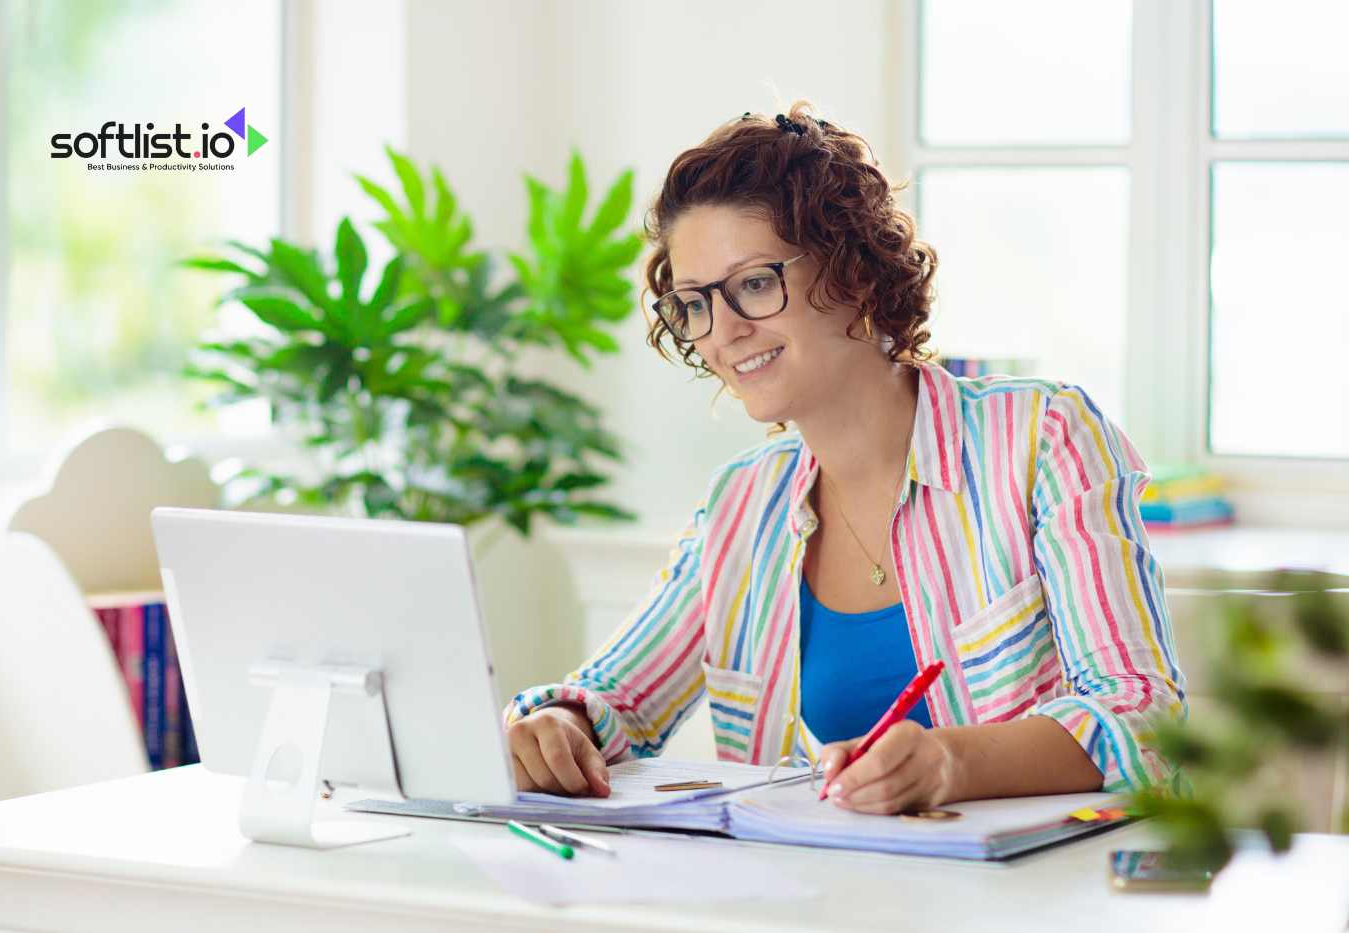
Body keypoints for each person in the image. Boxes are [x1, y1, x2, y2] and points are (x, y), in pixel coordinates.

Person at [502, 102, 1186, 815]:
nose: (725, 330)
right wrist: (560, 725)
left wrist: (949, 761)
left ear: (854, 271)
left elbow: (1142, 720)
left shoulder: (1042, 438)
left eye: (756, 283)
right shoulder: (743, 504)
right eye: (695, 303)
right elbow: (614, 696)